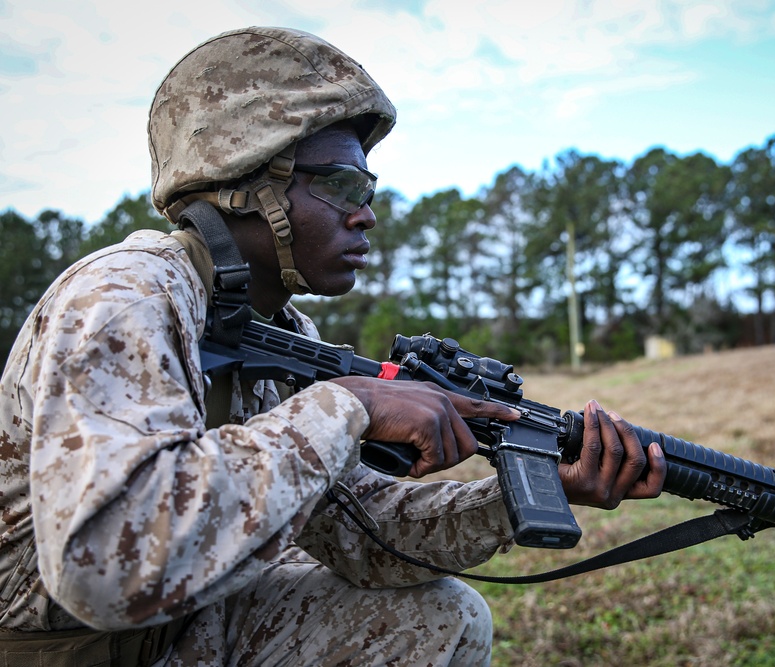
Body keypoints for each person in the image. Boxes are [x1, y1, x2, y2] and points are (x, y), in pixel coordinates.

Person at [0, 26, 667, 665]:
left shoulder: (279, 334)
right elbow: (105, 566)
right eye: (343, 185)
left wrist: (523, 495)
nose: (365, 212)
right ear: (246, 184)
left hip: (185, 630)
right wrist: (346, 405)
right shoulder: (129, 298)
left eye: (367, 189)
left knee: (442, 619)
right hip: (58, 652)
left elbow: (360, 532)